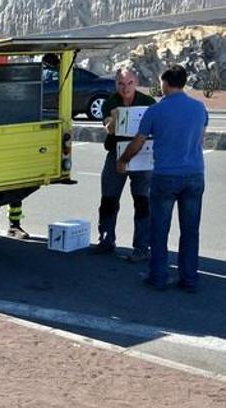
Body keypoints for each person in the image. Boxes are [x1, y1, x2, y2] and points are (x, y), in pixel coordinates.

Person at [117, 65, 208, 292]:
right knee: (190, 230)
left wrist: (123, 160)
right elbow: (200, 138)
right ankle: (189, 279)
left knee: (159, 228)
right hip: (195, 174)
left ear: (165, 84)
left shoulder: (156, 111)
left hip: (166, 175)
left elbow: (138, 142)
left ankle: (157, 276)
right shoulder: (199, 108)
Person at [88, 68, 157, 262]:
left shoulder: (148, 103)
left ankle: (142, 247)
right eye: (121, 84)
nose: (125, 88)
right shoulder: (111, 102)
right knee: (109, 198)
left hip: (142, 155)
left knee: (143, 201)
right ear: (115, 84)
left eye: (129, 83)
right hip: (115, 155)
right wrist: (117, 118)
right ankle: (106, 240)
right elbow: (108, 127)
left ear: (136, 82)